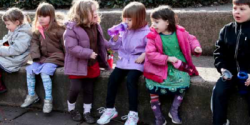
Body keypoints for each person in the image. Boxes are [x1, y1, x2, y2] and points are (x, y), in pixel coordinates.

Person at [143, 6, 202, 125]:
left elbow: (191, 39)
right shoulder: (153, 36)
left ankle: (174, 110)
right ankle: (158, 116)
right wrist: (167, 58)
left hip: (178, 66)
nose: (153, 25)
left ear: (167, 22)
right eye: (152, 21)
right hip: (159, 66)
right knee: (152, 83)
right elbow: (150, 54)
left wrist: (195, 47)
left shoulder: (180, 32)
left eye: (156, 22)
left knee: (184, 80)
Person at [97, 2, 149, 125]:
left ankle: (133, 114)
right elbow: (116, 47)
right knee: (113, 78)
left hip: (137, 61)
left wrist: (144, 55)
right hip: (124, 61)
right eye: (125, 19)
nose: (126, 22)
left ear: (139, 19)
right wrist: (115, 38)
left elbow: (152, 47)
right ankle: (110, 109)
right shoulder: (125, 30)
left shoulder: (147, 32)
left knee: (131, 80)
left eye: (130, 19)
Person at [63, 0, 110, 123]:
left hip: (91, 65)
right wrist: (88, 53)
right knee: (76, 88)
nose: (96, 13)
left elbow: (101, 42)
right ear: (83, 13)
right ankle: (71, 109)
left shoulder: (95, 25)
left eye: (96, 10)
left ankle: (87, 112)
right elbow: (71, 47)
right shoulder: (72, 28)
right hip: (77, 65)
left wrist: (113, 44)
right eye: (92, 11)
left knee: (89, 89)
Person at [20, 2, 65, 114]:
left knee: (45, 73)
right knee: (29, 70)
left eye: (44, 16)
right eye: (39, 16)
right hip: (42, 58)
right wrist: (36, 57)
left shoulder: (59, 29)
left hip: (56, 57)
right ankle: (32, 95)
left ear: (52, 16)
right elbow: (34, 45)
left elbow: (66, 45)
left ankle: (48, 99)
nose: (41, 19)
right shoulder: (37, 30)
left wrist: (69, 60)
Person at [212, 0, 250, 125]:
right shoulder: (226, 30)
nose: (237, 12)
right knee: (218, 91)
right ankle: (220, 122)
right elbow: (219, 52)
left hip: (249, 74)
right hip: (230, 72)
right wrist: (222, 68)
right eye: (235, 8)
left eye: (242, 9)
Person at [0, 7, 32, 94]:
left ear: (17, 22)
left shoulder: (24, 34)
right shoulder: (13, 30)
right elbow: (6, 42)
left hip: (16, 59)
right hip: (10, 57)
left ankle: (0, 87)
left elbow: (15, 50)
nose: (6, 27)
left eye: (8, 24)